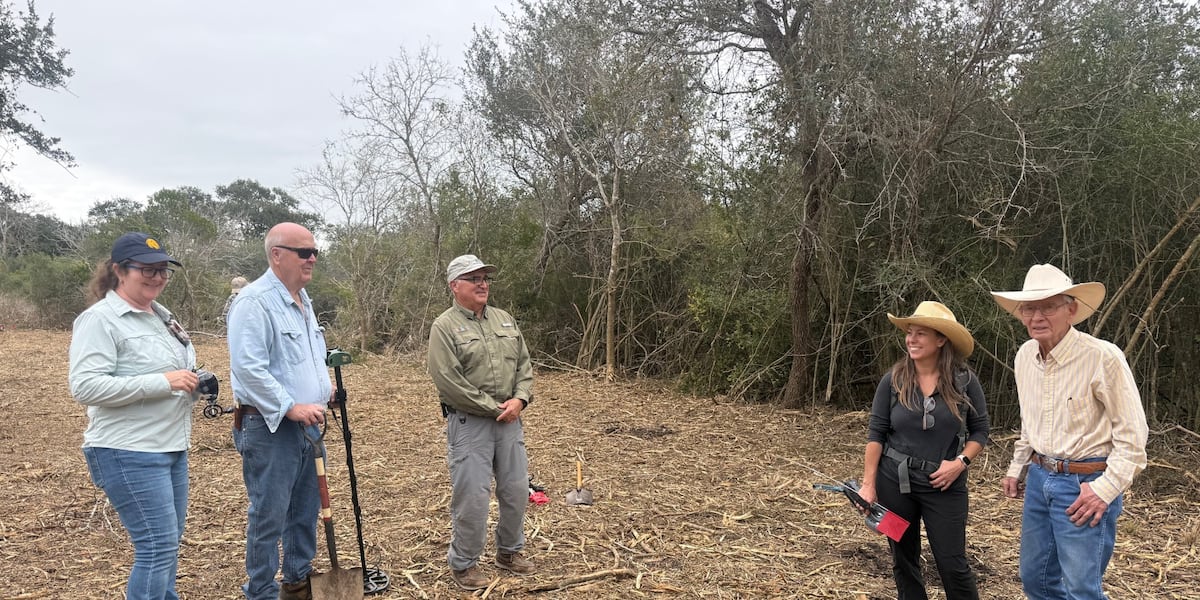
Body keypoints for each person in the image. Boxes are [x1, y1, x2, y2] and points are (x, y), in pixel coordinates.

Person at [992, 264, 1148, 600]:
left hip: (1084, 483)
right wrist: (1017, 467)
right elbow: (1030, 421)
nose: (1037, 316)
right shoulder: (1024, 356)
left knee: (1081, 589)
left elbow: (1134, 438)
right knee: (1035, 579)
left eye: (1048, 306)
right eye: (1029, 308)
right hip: (1039, 478)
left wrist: (1105, 489)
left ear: (1072, 309)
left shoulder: (1102, 357)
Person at [68, 232, 200, 600]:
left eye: (163, 271)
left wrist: (193, 382)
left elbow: (173, 372)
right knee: (156, 547)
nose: (157, 278)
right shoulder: (100, 320)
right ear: (119, 271)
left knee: (167, 546)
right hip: (128, 450)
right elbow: (86, 387)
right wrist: (163, 382)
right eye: (147, 269)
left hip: (171, 445)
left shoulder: (161, 315)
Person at [226, 223, 332, 600]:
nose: (312, 258)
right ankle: (261, 590)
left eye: (314, 251)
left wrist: (324, 390)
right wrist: (289, 406)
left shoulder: (303, 300)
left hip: (310, 424)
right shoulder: (254, 302)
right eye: (304, 252)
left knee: (304, 510)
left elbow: (304, 357)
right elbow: (248, 368)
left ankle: (298, 579)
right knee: (269, 515)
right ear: (277, 254)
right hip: (269, 427)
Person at [859, 301, 989, 600]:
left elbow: (980, 431)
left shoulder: (965, 381)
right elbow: (876, 434)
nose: (911, 339)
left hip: (944, 484)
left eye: (921, 334)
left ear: (941, 339)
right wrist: (868, 485)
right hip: (894, 482)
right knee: (903, 560)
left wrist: (960, 463)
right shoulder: (893, 380)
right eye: (909, 333)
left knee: (952, 563)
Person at [428, 254, 535, 590]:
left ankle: (509, 551)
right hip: (470, 422)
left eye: (484, 277)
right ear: (454, 286)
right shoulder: (444, 327)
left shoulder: (504, 319)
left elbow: (524, 366)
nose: (482, 283)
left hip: (510, 419)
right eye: (473, 278)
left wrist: (520, 399)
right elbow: (449, 382)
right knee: (472, 497)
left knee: (517, 490)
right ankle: (464, 565)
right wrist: (494, 408)